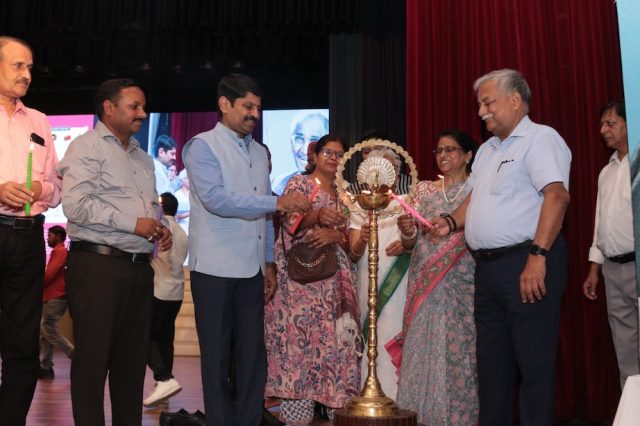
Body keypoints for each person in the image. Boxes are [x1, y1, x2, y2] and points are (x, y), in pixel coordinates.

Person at [432, 69, 571, 425]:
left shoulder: (540, 139)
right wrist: (449, 221)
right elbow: (477, 198)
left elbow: (556, 196)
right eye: (480, 104)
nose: (481, 111)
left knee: (533, 365)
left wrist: (537, 257)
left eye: (488, 102)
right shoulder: (488, 150)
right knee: (492, 369)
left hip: (526, 262)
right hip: (488, 270)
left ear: (515, 100)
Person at [182, 73, 311, 426]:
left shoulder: (258, 150)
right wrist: (278, 201)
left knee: (254, 356)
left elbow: (265, 215)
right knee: (218, 358)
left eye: (258, 107)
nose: (254, 114)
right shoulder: (201, 146)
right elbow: (217, 200)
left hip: (252, 270)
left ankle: (250, 420)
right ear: (224, 104)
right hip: (215, 269)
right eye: (247, 106)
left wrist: (268, 262)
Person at [57, 78, 172, 425]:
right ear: (109, 108)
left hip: (138, 269)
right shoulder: (86, 147)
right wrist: (133, 223)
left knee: (131, 367)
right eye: (134, 106)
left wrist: (157, 226)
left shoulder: (144, 158)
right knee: (92, 365)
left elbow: (147, 208)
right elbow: (75, 206)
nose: (143, 112)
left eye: (143, 106)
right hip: (97, 266)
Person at [265, 134, 360, 425]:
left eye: (340, 154)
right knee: (300, 360)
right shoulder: (298, 184)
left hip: (336, 292)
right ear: (316, 156)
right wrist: (317, 215)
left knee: (338, 360)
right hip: (300, 290)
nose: (334, 158)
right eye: (328, 152)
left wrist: (338, 235)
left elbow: (354, 242)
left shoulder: (347, 194)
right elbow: (289, 223)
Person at [393, 130, 478, 425]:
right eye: (439, 150)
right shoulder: (424, 190)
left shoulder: (477, 190)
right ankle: (419, 415)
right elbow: (409, 242)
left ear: (468, 155)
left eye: (450, 150)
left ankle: (458, 417)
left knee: (458, 347)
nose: (442, 156)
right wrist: (406, 229)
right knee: (421, 345)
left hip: (461, 280)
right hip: (423, 282)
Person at [0, 35, 62, 425]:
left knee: (23, 345)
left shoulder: (39, 121)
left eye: (30, 68)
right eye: (17, 66)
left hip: (27, 236)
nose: (27, 75)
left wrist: (41, 189)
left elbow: (56, 189)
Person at [583, 100, 638, 389]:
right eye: (602, 124)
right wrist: (594, 269)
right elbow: (599, 224)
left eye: (611, 123)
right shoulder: (606, 172)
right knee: (624, 347)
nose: (603, 130)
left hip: (637, 264)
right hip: (613, 271)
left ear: (631, 124)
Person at [348, 147, 408, 400]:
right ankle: (369, 393)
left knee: (395, 332)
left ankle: (397, 397)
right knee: (371, 331)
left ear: (395, 172)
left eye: (388, 167)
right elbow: (353, 252)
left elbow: (418, 242)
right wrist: (362, 239)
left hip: (400, 282)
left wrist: (407, 244)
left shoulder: (409, 202)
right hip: (367, 280)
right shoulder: (359, 205)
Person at [144, 192, 189, 407]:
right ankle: (164, 386)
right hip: (176, 293)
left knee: (143, 336)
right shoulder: (181, 231)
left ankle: (164, 378)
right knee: (165, 340)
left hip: (158, 290)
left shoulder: (159, 229)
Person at [39, 225, 74, 380]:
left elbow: (50, 274)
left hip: (56, 296)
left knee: (48, 329)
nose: (48, 238)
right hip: (52, 297)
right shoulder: (58, 251)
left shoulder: (60, 251)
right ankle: (46, 368)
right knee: (46, 334)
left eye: (50, 235)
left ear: (59, 236)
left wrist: (35, 282)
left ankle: (75, 355)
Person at [272, 111, 329, 194]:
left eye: (314, 140)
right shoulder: (277, 183)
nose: (305, 149)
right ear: (291, 143)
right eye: (299, 139)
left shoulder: (338, 188)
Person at [346, 133, 411, 195]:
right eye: (367, 151)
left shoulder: (411, 185)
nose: (373, 153)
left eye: (378, 148)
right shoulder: (353, 190)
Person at [174, 169, 190, 234]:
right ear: (182, 180)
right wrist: (187, 214)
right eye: (188, 178)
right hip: (181, 228)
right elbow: (175, 215)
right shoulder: (177, 195)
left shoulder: (195, 195)